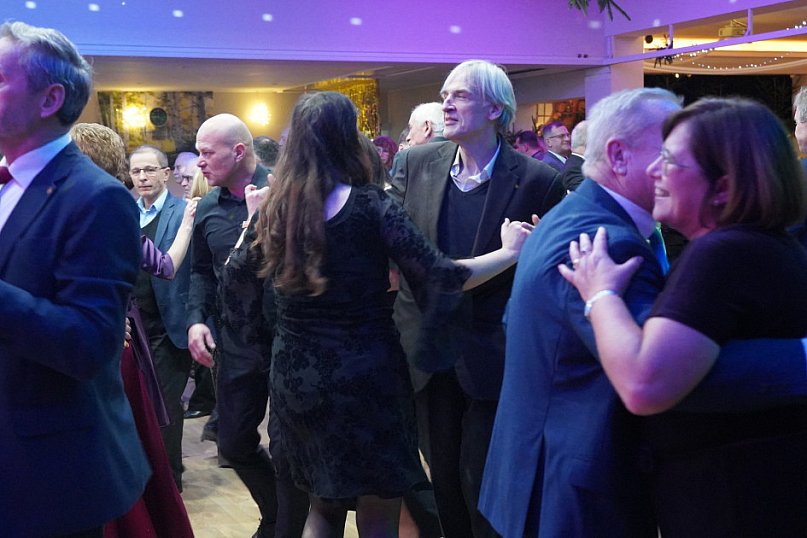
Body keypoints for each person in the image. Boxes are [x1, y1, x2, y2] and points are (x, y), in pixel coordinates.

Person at [480, 88, 807, 538]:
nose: (659, 170)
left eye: (674, 159)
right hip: (575, 489)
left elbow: (662, 367)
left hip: (561, 474)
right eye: (664, 151)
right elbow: (657, 374)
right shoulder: (605, 241)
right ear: (618, 155)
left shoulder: (578, 219)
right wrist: (799, 357)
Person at [254, 90, 534, 537]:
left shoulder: (274, 208)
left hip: (295, 378)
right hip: (366, 376)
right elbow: (440, 275)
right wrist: (509, 252)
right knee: (379, 510)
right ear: (348, 137)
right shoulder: (371, 205)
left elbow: (244, 284)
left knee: (322, 508)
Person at [390, 60, 564, 538]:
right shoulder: (418, 163)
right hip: (427, 351)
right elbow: (406, 262)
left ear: (494, 109)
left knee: (485, 487)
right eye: (445, 95)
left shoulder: (538, 180)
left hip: (495, 355)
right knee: (443, 481)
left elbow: (545, 276)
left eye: (460, 95)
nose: (446, 104)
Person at [0, 21, 150, 536]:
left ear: (50, 99)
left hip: (45, 469)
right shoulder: (7, 182)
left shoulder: (97, 197)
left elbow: (89, 344)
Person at [71, 122, 194, 538]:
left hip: (108, 349)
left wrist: (188, 221)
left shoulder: (100, 209)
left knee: (116, 444)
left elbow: (164, 267)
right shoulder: (105, 207)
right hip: (106, 345)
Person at [187, 113, 307, 537]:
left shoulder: (286, 192)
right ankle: (276, 516)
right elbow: (201, 271)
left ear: (238, 151)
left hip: (288, 338)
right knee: (234, 443)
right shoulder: (207, 207)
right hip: (236, 341)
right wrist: (196, 320)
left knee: (287, 447)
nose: (199, 162)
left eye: (207, 152)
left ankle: (285, 528)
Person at [129, 144, 194, 491]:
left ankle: (170, 484)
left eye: (149, 170)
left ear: (166, 174)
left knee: (167, 409)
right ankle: (147, 484)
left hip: (170, 326)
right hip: (133, 330)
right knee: (138, 407)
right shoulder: (125, 211)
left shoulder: (184, 211)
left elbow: (189, 269)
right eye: (136, 171)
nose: (142, 177)